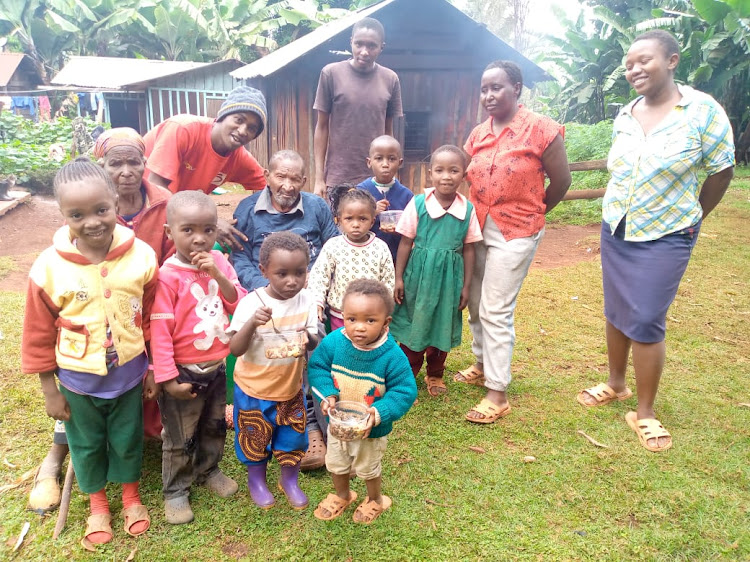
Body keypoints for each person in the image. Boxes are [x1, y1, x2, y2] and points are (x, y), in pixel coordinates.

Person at [577, 31, 735, 452]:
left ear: (672, 60)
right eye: (629, 64)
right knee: (617, 308)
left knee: (646, 318)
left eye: (644, 60)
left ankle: (644, 412)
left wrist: (697, 215)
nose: (634, 70)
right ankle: (616, 383)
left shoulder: (702, 111)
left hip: (667, 232)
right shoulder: (626, 114)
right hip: (618, 226)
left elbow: (722, 170)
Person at [21, 158, 158, 547]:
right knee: (86, 443)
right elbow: (36, 332)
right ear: (62, 214)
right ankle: (98, 504)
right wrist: (50, 388)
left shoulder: (142, 256)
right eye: (77, 215)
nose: (92, 222)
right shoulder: (49, 268)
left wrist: (150, 370)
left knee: (127, 438)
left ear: (115, 201)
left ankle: (130, 496)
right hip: (77, 383)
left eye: (101, 210)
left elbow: (148, 316)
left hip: (129, 376)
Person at [456, 60, 571, 423]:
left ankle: (498, 392)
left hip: (517, 231)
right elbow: (466, 174)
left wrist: (535, 213)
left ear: (517, 88)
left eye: (497, 88)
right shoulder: (478, 134)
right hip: (478, 226)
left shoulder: (541, 130)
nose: (488, 95)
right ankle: (480, 362)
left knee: (495, 308)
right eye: (484, 88)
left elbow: (562, 182)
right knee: (474, 301)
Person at [233, 149, 339, 471]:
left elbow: (332, 247)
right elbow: (239, 256)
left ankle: (322, 426)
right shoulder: (248, 209)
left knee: (316, 349)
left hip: (309, 296)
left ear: (304, 181)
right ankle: (298, 423)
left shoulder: (317, 207)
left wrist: (311, 287)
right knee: (274, 353)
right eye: (281, 176)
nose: (288, 185)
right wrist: (268, 292)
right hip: (264, 297)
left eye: (295, 178)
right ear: (267, 175)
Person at [150, 191, 247, 524]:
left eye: (208, 230)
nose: (199, 239)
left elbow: (238, 302)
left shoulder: (220, 261)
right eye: (188, 230)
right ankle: (176, 490)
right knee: (179, 436)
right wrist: (167, 379)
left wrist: (218, 274)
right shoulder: (167, 276)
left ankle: (209, 470)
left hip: (216, 366)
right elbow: (159, 330)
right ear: (169, 233)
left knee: (214, 424)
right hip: (183, 372)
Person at [309, 279, 417, 523]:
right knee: (336, 463)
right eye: (351, 319)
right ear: (342, 316)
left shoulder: (391, 355)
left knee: (368, 468)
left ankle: (375, 499)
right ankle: (342, 495)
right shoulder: (335, 342)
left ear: (385, 322)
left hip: (371, 429)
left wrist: (379, 412)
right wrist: (327, 395)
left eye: (370, 320)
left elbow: (404, 390)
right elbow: (318, 366)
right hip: (338, 424)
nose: (359, 327)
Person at [227, 232, 320, 509]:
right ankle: (257, 480)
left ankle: (289, 480)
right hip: (253, 389)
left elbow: (314, 339)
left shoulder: (307, 301)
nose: (292, 281)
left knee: (292, 438)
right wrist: (251, 324)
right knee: (255, 439)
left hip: (290, 389)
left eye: (299, 272)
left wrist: (307, 338)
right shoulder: (252, 304)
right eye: (282, 273)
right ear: (263, 270)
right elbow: (235, 349)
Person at [390, 145, 482, 396]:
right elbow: (406, 242)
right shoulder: (418, 204)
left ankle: (435, 374)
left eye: (454, 171)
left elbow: (470, 249)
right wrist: (399, 277)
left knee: (443, 323)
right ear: (430, 173)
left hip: (449, 281)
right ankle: (405, 376)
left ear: (464, 176)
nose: (446, 176)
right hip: (418, 278)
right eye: (439, 170)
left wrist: (466, 286)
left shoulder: (467, 210)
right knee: (413, 324)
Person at [143, 86, 267, 250]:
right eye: (239, 119)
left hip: (182, 221)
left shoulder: (240, 158)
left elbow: (269, 188)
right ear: (222, 116)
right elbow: (155, 191)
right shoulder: (183, 129)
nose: (243, 131)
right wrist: (210, 224)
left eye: (252, 128)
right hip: (142, 209)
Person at [313, 17, 403, 199]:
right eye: (359, 44)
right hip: (339, 176)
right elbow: (321, 127)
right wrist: (318, 178)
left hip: (376, 177)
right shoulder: (331, 73)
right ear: (351, 42)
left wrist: (391, 172)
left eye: (372, 46)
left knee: (375, 226)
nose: (364, 51)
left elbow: (388, 132)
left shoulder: (390, 79)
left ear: (381, 47)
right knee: (338, 227)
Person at [308, 186, 395, 330]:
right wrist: (317, 302)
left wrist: (383, 309)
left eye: (362, 219)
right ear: (339, 220)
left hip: (371, 317)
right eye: (349, 218)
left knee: (369, 350)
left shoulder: (380, 248)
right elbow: (319, 276)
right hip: (340, 316)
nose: (355, 224)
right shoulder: (333, 246)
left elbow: (388, 282)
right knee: (342, 350)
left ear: (372, 222)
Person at [356, 135, 413, 261]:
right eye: (379, 158)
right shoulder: (360, 192)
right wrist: (371, 212)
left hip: (396, 258)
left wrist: (399, 229)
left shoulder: (407, 196)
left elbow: (413, 231)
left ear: (400, 163)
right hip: (364, 258)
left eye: (392, 159)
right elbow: (350, 224)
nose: (385, 164)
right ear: (369, 162)